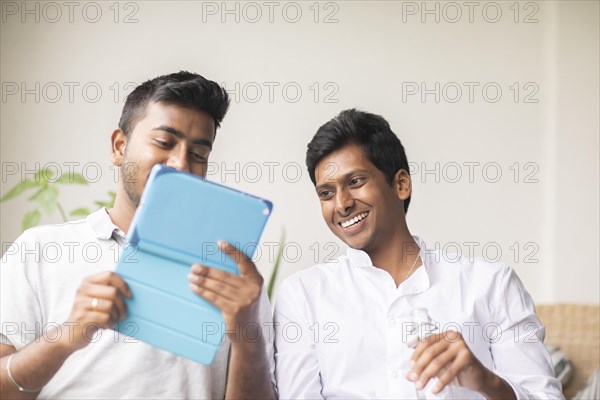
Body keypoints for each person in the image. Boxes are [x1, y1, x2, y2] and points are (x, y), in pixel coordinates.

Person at [0, 71, 276, 399]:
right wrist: (67, 336)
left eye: (199, 154)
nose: (181, 164)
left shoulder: (235, 279)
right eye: (164, 142)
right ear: (119, 147)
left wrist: (247, 335)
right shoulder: (40, 250)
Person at [273, 109, 564, 399]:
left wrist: (487, 382)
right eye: (326, 193)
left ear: (401, 184)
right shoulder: (302, 296)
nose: (341, 204)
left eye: (355, 182)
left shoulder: (492, 284)